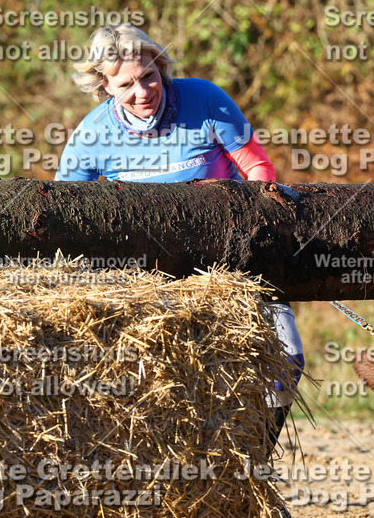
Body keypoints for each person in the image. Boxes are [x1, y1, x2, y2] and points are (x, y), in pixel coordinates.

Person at [55, 24, 303, 458]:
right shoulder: (89, 137)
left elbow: (259, 169)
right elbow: (67, 217)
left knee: (288, 359)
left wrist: (253, 230)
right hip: (145, 283)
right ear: (103, 85)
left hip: (233, 264)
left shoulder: (205, 99)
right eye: (126, 84)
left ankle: (252, 462)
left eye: (148, 76)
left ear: (161, 66)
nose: (142, 91)